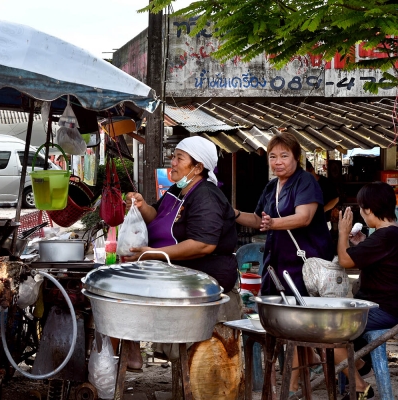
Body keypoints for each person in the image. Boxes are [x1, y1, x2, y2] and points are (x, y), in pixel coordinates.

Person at [123, 136, 241, 370]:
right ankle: (131, 345)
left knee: (132, 284)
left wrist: (154, 254)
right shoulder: (178, 190)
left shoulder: (205, 196)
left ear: (198, 167)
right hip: (176, 266)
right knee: (123, 277)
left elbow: (202, 245)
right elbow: (157, 216)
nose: (173, 162)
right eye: (173, 156)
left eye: (180, 158)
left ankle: (133, 346)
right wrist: (141, 206)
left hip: (206, 272)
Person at [234, 132, 334, 393]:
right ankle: (306, 373)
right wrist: (231, 213)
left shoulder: (305, 183)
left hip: (304, 266)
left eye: (284, 156)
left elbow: (304, 217)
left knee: (300, 325)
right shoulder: (271, 187)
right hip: (277, 263)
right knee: (287, 325)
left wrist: (273, 224)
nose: (278, 162)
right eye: (273, 156)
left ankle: (291, 385)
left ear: (296, 157)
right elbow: (258, 220)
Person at [334, 182, 398, 400]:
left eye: (361, 208)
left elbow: (345, 260)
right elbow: (373, 259)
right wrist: (362, 244)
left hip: (383, 310)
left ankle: (360, 385)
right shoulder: (389, 235)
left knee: (327, 330)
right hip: (386, 306)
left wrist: (342, 232)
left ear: (368, 209)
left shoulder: (384, 237)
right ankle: (359, 364)